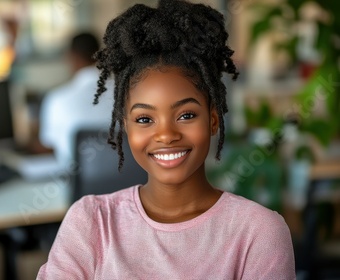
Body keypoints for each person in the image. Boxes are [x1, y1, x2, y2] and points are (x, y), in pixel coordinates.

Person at [37, 0, 295, 279]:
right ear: (127, 128)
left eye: (185, 115)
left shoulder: (258, 231)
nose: (166, 135)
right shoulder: (91, 221)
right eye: (145, 120)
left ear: (213, 120)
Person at [39, 32, 113, 169]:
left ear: (71, 56)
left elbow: (48, 147)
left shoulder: (56, 99)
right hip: (127, 184)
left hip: (77, 188)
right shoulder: (127, 93)